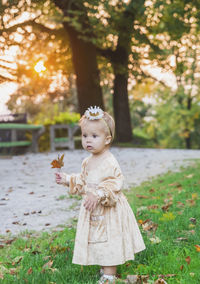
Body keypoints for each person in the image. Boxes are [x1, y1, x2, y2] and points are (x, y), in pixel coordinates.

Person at [55, 106, 146, 284]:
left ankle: (109, 275)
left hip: (108, 210)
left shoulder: (109, 161)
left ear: (107, 139)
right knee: (97, 239)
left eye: (94, 136)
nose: (88, 140)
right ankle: (104, 268)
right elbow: (82, 181)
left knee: (109, 239)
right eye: (84, 135)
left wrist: (98, 194)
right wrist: (67, 179)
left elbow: (114, 183)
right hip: (93, 210)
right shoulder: (87, 162)